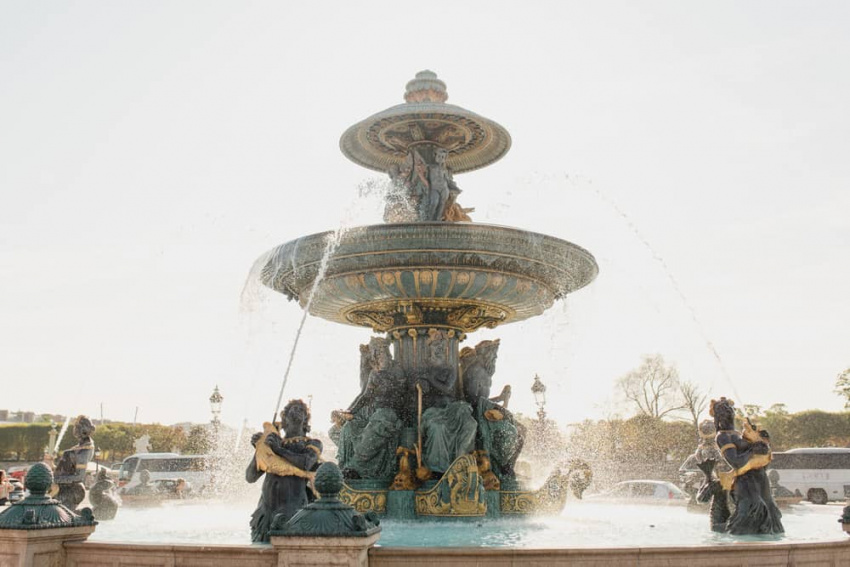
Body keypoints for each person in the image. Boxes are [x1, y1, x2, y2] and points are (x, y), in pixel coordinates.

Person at [246, 399, 322, 543]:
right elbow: (250, 477)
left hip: (294, 512)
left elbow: (305, 463)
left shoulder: (313, 443)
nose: (297, 410)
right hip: (266, 513)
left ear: (305, 420)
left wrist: (279, 450)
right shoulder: (272, 443)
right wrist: (260, 449)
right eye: (293, 408)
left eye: (301, 409)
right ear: (284, 419)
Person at [712, 397, 784, 534]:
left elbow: (759, 452)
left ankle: (772, 539)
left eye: (729, 410)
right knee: (752, 508)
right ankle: (738, 537)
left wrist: (761, 445)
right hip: (745, 481)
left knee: (770, 508)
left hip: (760, 477)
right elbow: (735, 461)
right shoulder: (722, 437)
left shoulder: (739, 433)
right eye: (723, 412)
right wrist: (752, 450)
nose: (728, 414)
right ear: (718, 417)